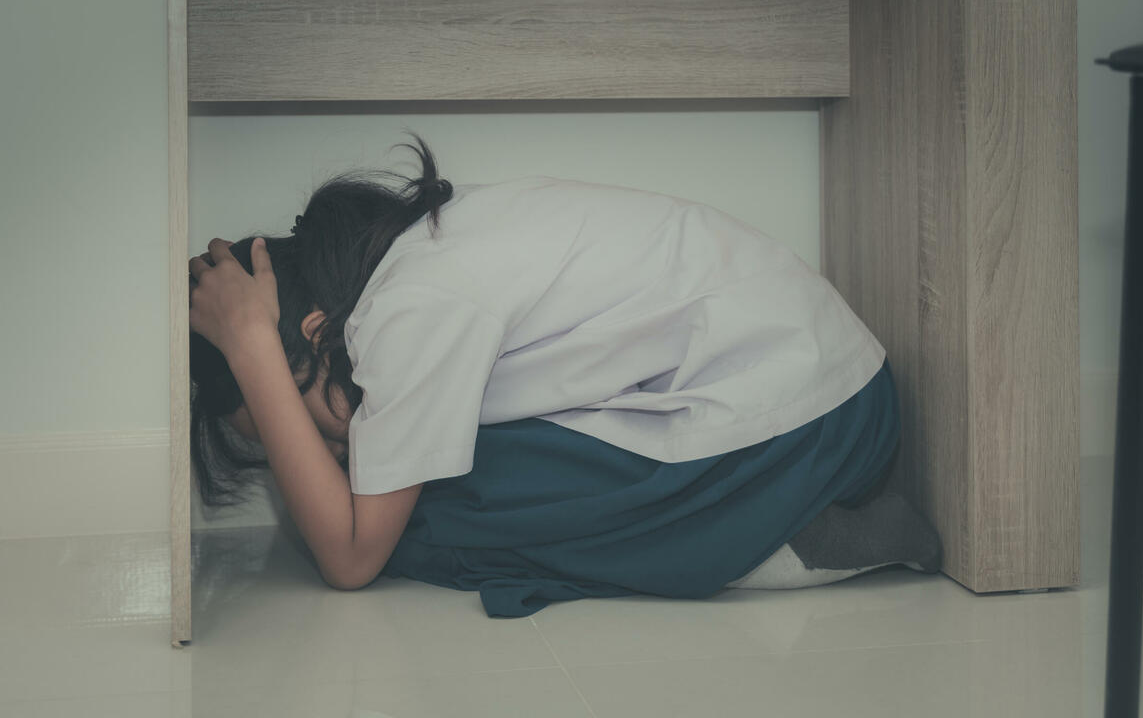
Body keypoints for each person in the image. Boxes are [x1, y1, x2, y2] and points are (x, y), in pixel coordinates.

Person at [188, 133, 941, 617]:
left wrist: (250, 347)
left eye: (298, 420)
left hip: (815, 421)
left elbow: (350, 561)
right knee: (424, 488)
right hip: (830, 397)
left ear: (313, 333)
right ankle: (762, 525)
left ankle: (783, 547)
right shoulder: (418, 264)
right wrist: (266, 364)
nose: (326, 456)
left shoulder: (408, 307)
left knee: (425, 520)